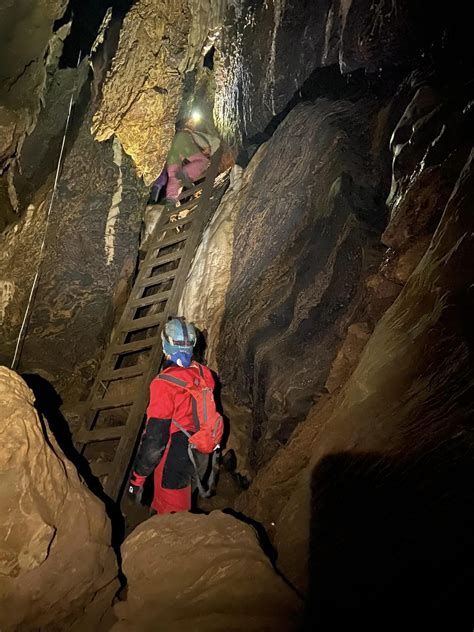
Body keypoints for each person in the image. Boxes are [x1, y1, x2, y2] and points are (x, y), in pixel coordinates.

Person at [127, 317, 217, 514]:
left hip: (175, 458)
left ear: (165, 346)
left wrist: (136, 480)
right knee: (182, 502)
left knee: (173, 520)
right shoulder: (204, 374)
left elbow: (155, 441)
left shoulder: (164, 384)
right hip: (200, 452)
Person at [164, 119, 220, 205]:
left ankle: (171, 199)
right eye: (190, 122)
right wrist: (209, 150)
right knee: (203, 161)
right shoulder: (196, 135)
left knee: (173, 176)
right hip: (184, 141)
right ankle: (186, 172)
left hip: (172, 148)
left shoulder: (179, 132)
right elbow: (217, 142)